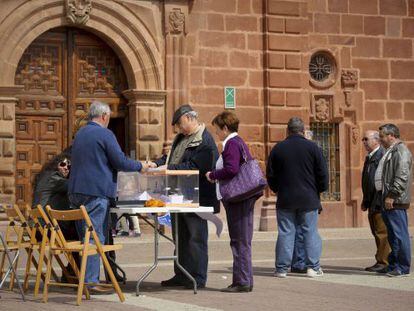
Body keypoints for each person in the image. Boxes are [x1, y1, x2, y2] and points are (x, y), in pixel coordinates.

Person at [68, 100, 147, 293]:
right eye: (109, 117)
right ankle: (90, 281)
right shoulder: (105, 133)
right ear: (104, 116)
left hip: (76, 191)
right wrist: (141, 166)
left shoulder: (80, 134)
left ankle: (87, 279)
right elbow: (119, 161)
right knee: (95, 237)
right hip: (95, 191)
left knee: (85, 237)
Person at [150, 104, 219, 289]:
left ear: (190, 118)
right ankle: (181, 273)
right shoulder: (181, 138)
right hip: (178, 197)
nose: (178, 129)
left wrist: (169, 169)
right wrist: (155, 164)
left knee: (195, 237)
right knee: (180, 236)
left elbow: (195, 167)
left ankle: (197, 277)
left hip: (197, 199)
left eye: (180, 124)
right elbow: (170, 158)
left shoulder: (205, 141)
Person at [206, 111, 262, 293]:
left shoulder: (231, 143)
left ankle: (243, 281)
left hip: (239, 199)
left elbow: (231, 169)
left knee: (239, 240)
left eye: (217, 130)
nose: (216, 133)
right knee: (240, 239)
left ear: (224, 128)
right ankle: (242, 279)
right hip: (242, 198)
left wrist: (213, 175)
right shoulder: (237, 142)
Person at [266, 117, 328, 278]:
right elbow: (323, 174)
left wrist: (277, 189)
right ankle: (313, 267)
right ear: (303, 130)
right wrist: (318, 191)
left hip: (286, 197)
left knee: (286, 232)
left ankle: (281, 268)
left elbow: (271, 175)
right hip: (308, 197)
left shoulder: (278, 148)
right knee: (310, 232)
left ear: (288, 130)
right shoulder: (313, 148)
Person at [32, 152, 80, 282]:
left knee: (77, 230)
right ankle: (75, 273)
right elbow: (75, 186)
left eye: (69, 166)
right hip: (46, 230)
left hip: (37, 230)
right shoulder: (55, 178)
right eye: (63, 164)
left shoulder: (45, 178)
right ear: (55, 166)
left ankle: (72, 272)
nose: (66, 168)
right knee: (82, 232)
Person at [375, 124, 412, 277]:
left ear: (391, 135)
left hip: (395, 200)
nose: (380, 139)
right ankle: (394, 264)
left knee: (399, 234)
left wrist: (392, 195)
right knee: (392, 234)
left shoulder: (401, 151)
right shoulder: (391, 151)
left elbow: (402, 175)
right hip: (387, 198)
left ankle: (403, 267)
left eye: (382, 136)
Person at [361, 130, 390, 272]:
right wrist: (365, 199)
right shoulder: (370, 157)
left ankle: (384, 262)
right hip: (371, 201)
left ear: (376, 140)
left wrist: (378, 200)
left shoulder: (381, 156)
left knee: (382, 232)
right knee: (376, 232)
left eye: (366, 139)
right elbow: (368, 181)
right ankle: (380, 259)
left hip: (379, 202)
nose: (364, 142)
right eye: (363, 139)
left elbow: (381, 181)